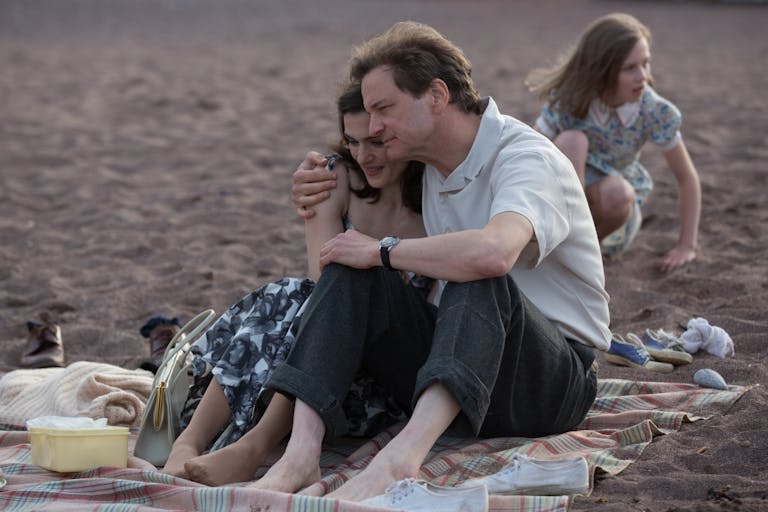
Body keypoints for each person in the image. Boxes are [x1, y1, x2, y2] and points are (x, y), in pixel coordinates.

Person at [260, 21, 611, 502]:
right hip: (460, 378)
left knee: (476, 271)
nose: (375, 127)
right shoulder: (428, 169)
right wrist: (318, 183)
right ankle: (300, 454)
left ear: (437, 96)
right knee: (351, 265)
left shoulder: (526, 158)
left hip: (551, 384)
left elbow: (494, 252)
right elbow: (358, 173)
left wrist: (379, 250)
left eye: (384, 109)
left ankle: (401, 459)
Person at [159, 80, 432, 485]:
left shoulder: (437, 199)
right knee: (293, 297)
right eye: (352, 141)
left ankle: (253, 444)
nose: (363, 155)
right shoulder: (333, 178)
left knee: (299, 303)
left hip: (378, 382)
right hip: (320, 360)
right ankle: (189, 442)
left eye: (374, 142)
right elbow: (325, 288)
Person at [525, 12, 701, 272]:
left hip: (611, 209)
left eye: (646, 63)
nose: (643, 76)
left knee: (618, 193)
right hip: (566, 196)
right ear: (602, 70)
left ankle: (582, 249)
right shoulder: (572, 98)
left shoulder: (654, 111)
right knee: (573, 141)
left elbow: (687, 178)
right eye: (630, 68)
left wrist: (687, 246)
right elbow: (529, 148)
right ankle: (558, 239)